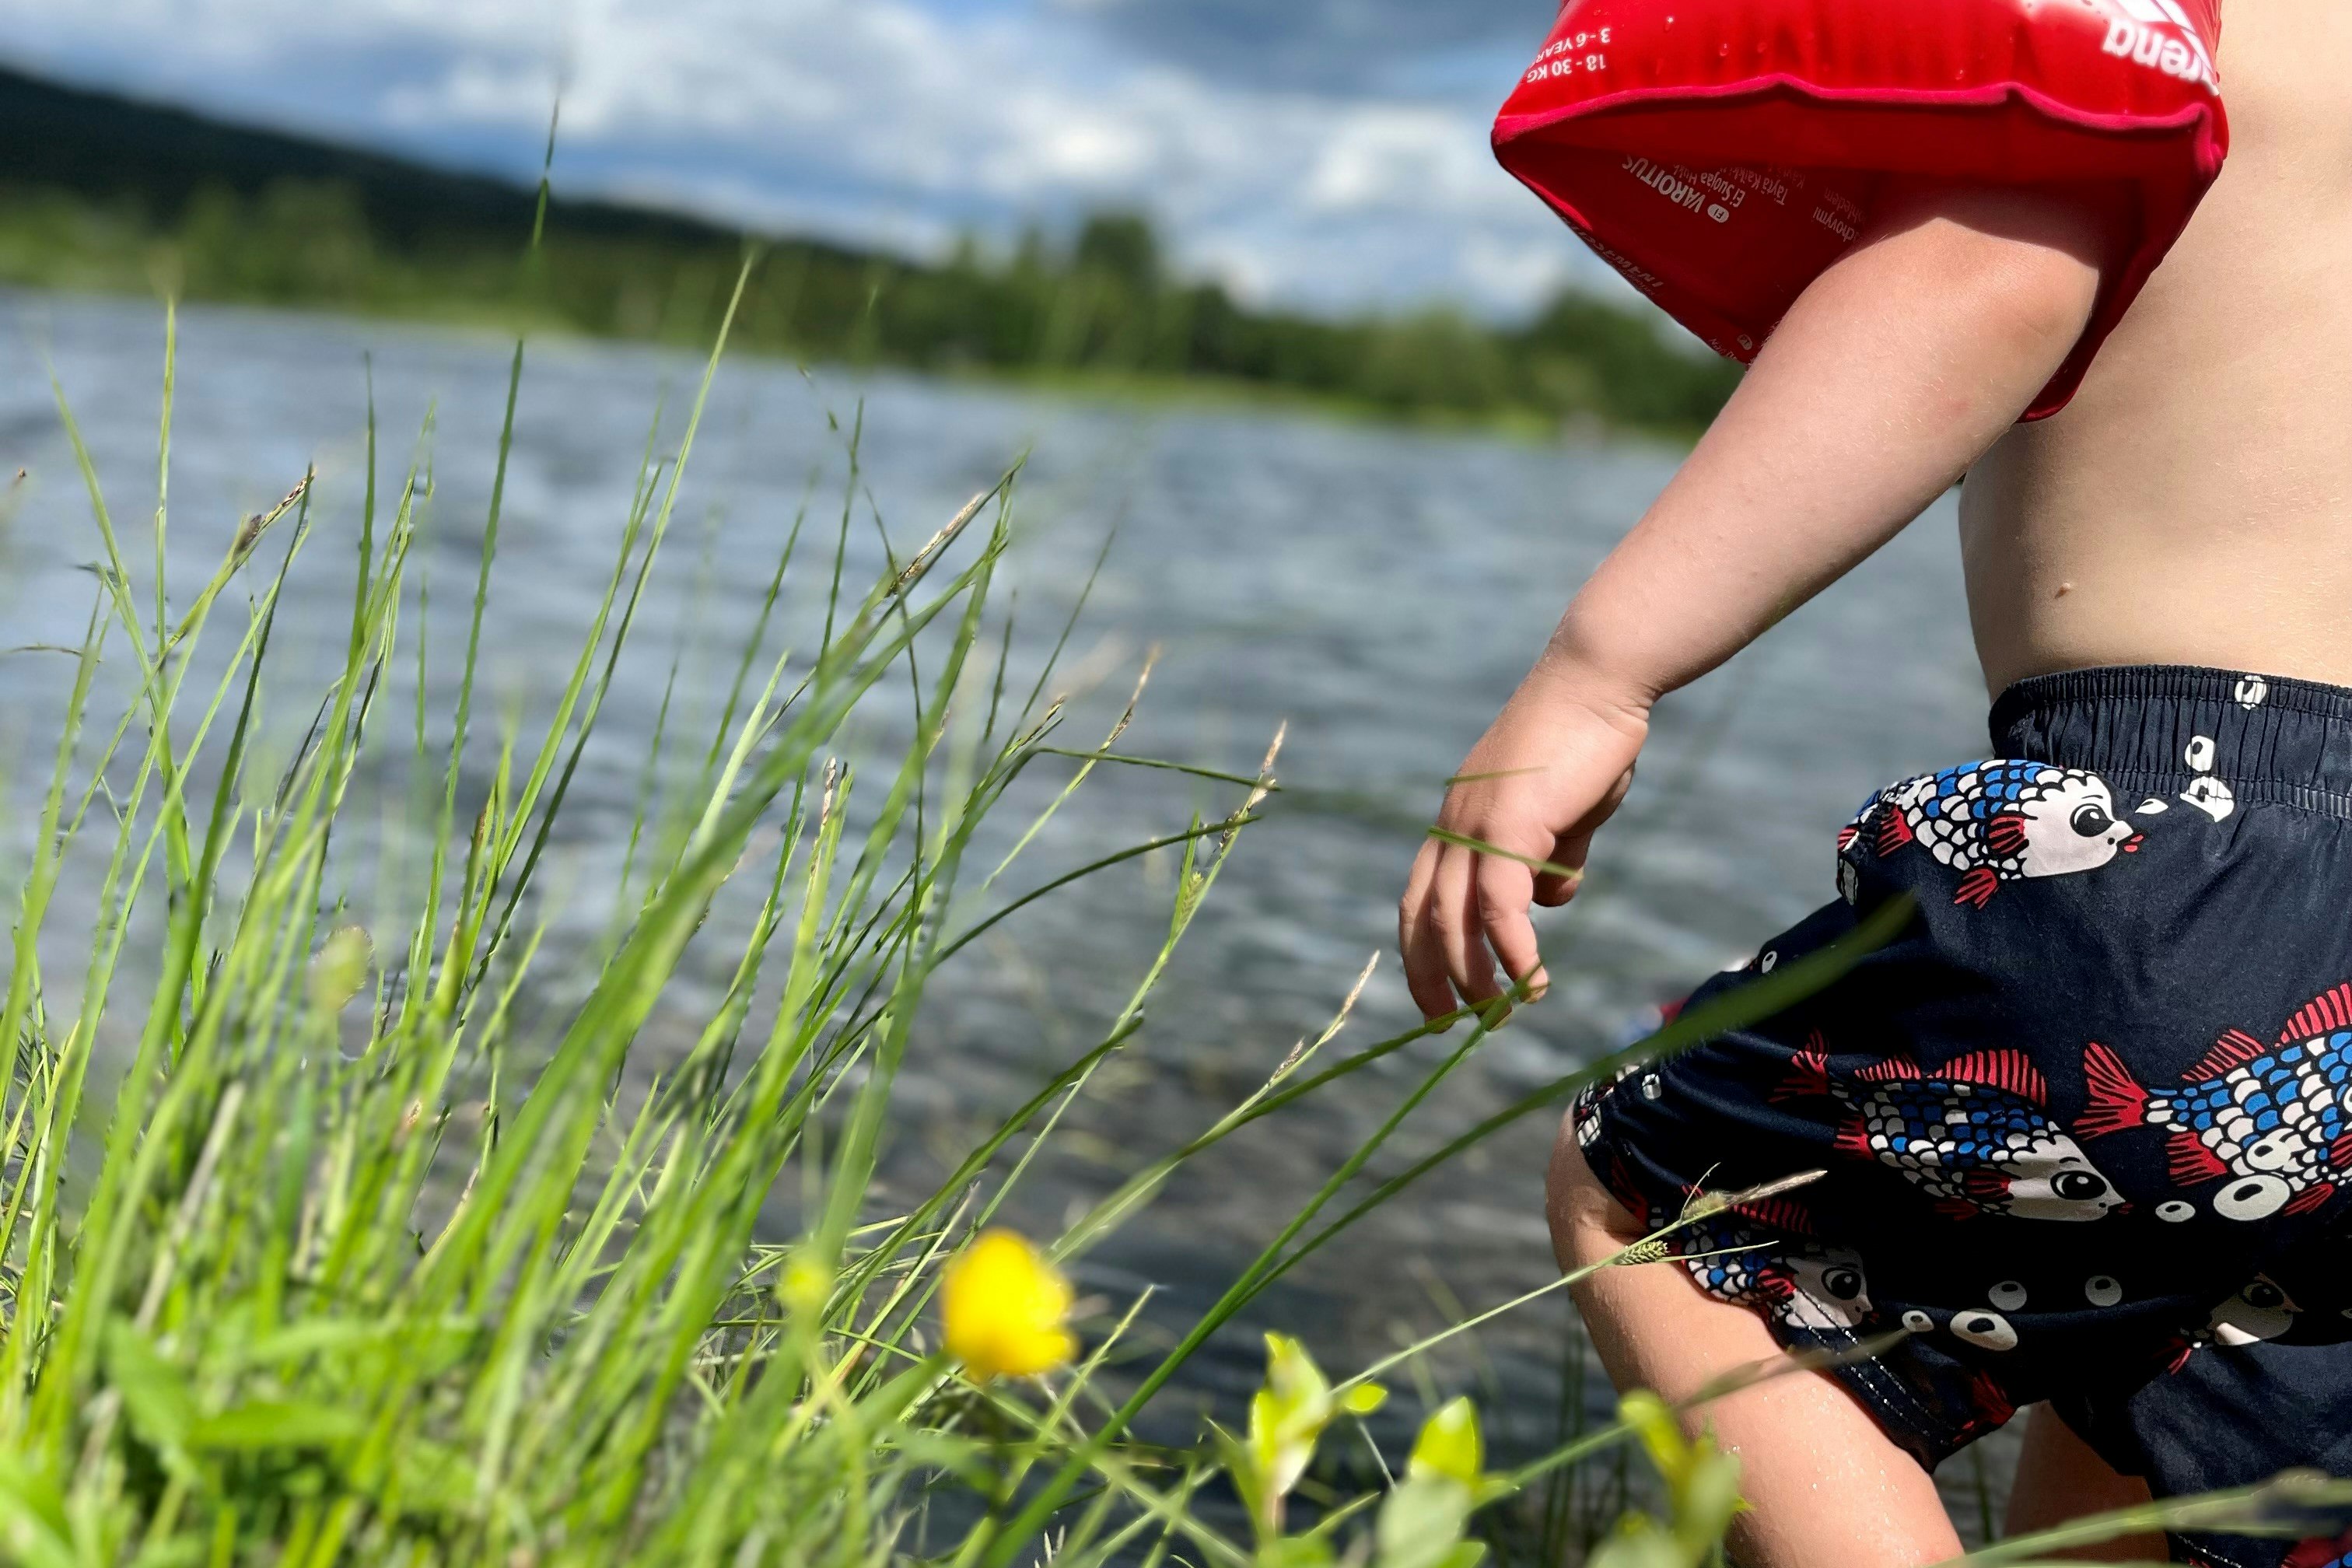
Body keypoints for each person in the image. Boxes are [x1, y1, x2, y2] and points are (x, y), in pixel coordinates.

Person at [1395, 3, 2352, 1564]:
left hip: (2174, 848)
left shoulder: (2182, 27)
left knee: (1651, 1203)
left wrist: (1600, 665)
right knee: (2160, 1356)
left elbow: (1984, 269)